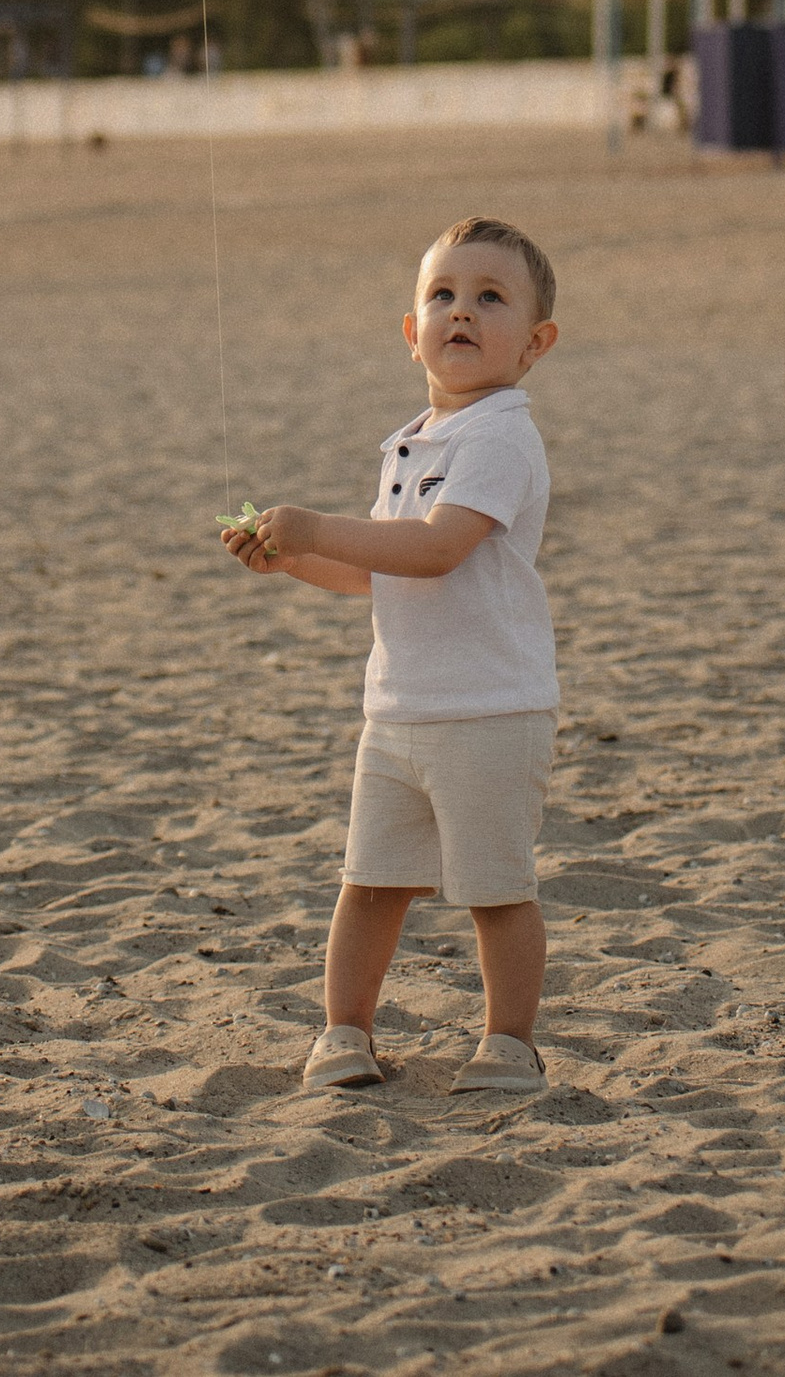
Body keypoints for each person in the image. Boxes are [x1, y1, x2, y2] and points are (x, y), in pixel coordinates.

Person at [220, 215, 560, 1095]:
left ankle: (509, 1044)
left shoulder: (499, 435)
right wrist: (292, 556)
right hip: (400, 709)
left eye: (491, 298)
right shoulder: (414, 441)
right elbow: (383, 573)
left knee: (495, 890)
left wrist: (319, 522)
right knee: (369, 883)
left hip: (489, 708)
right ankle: (344, 1031)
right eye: (442, 295)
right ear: (412, 334)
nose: (462, 311)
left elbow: (437, 547)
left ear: (534, 342)